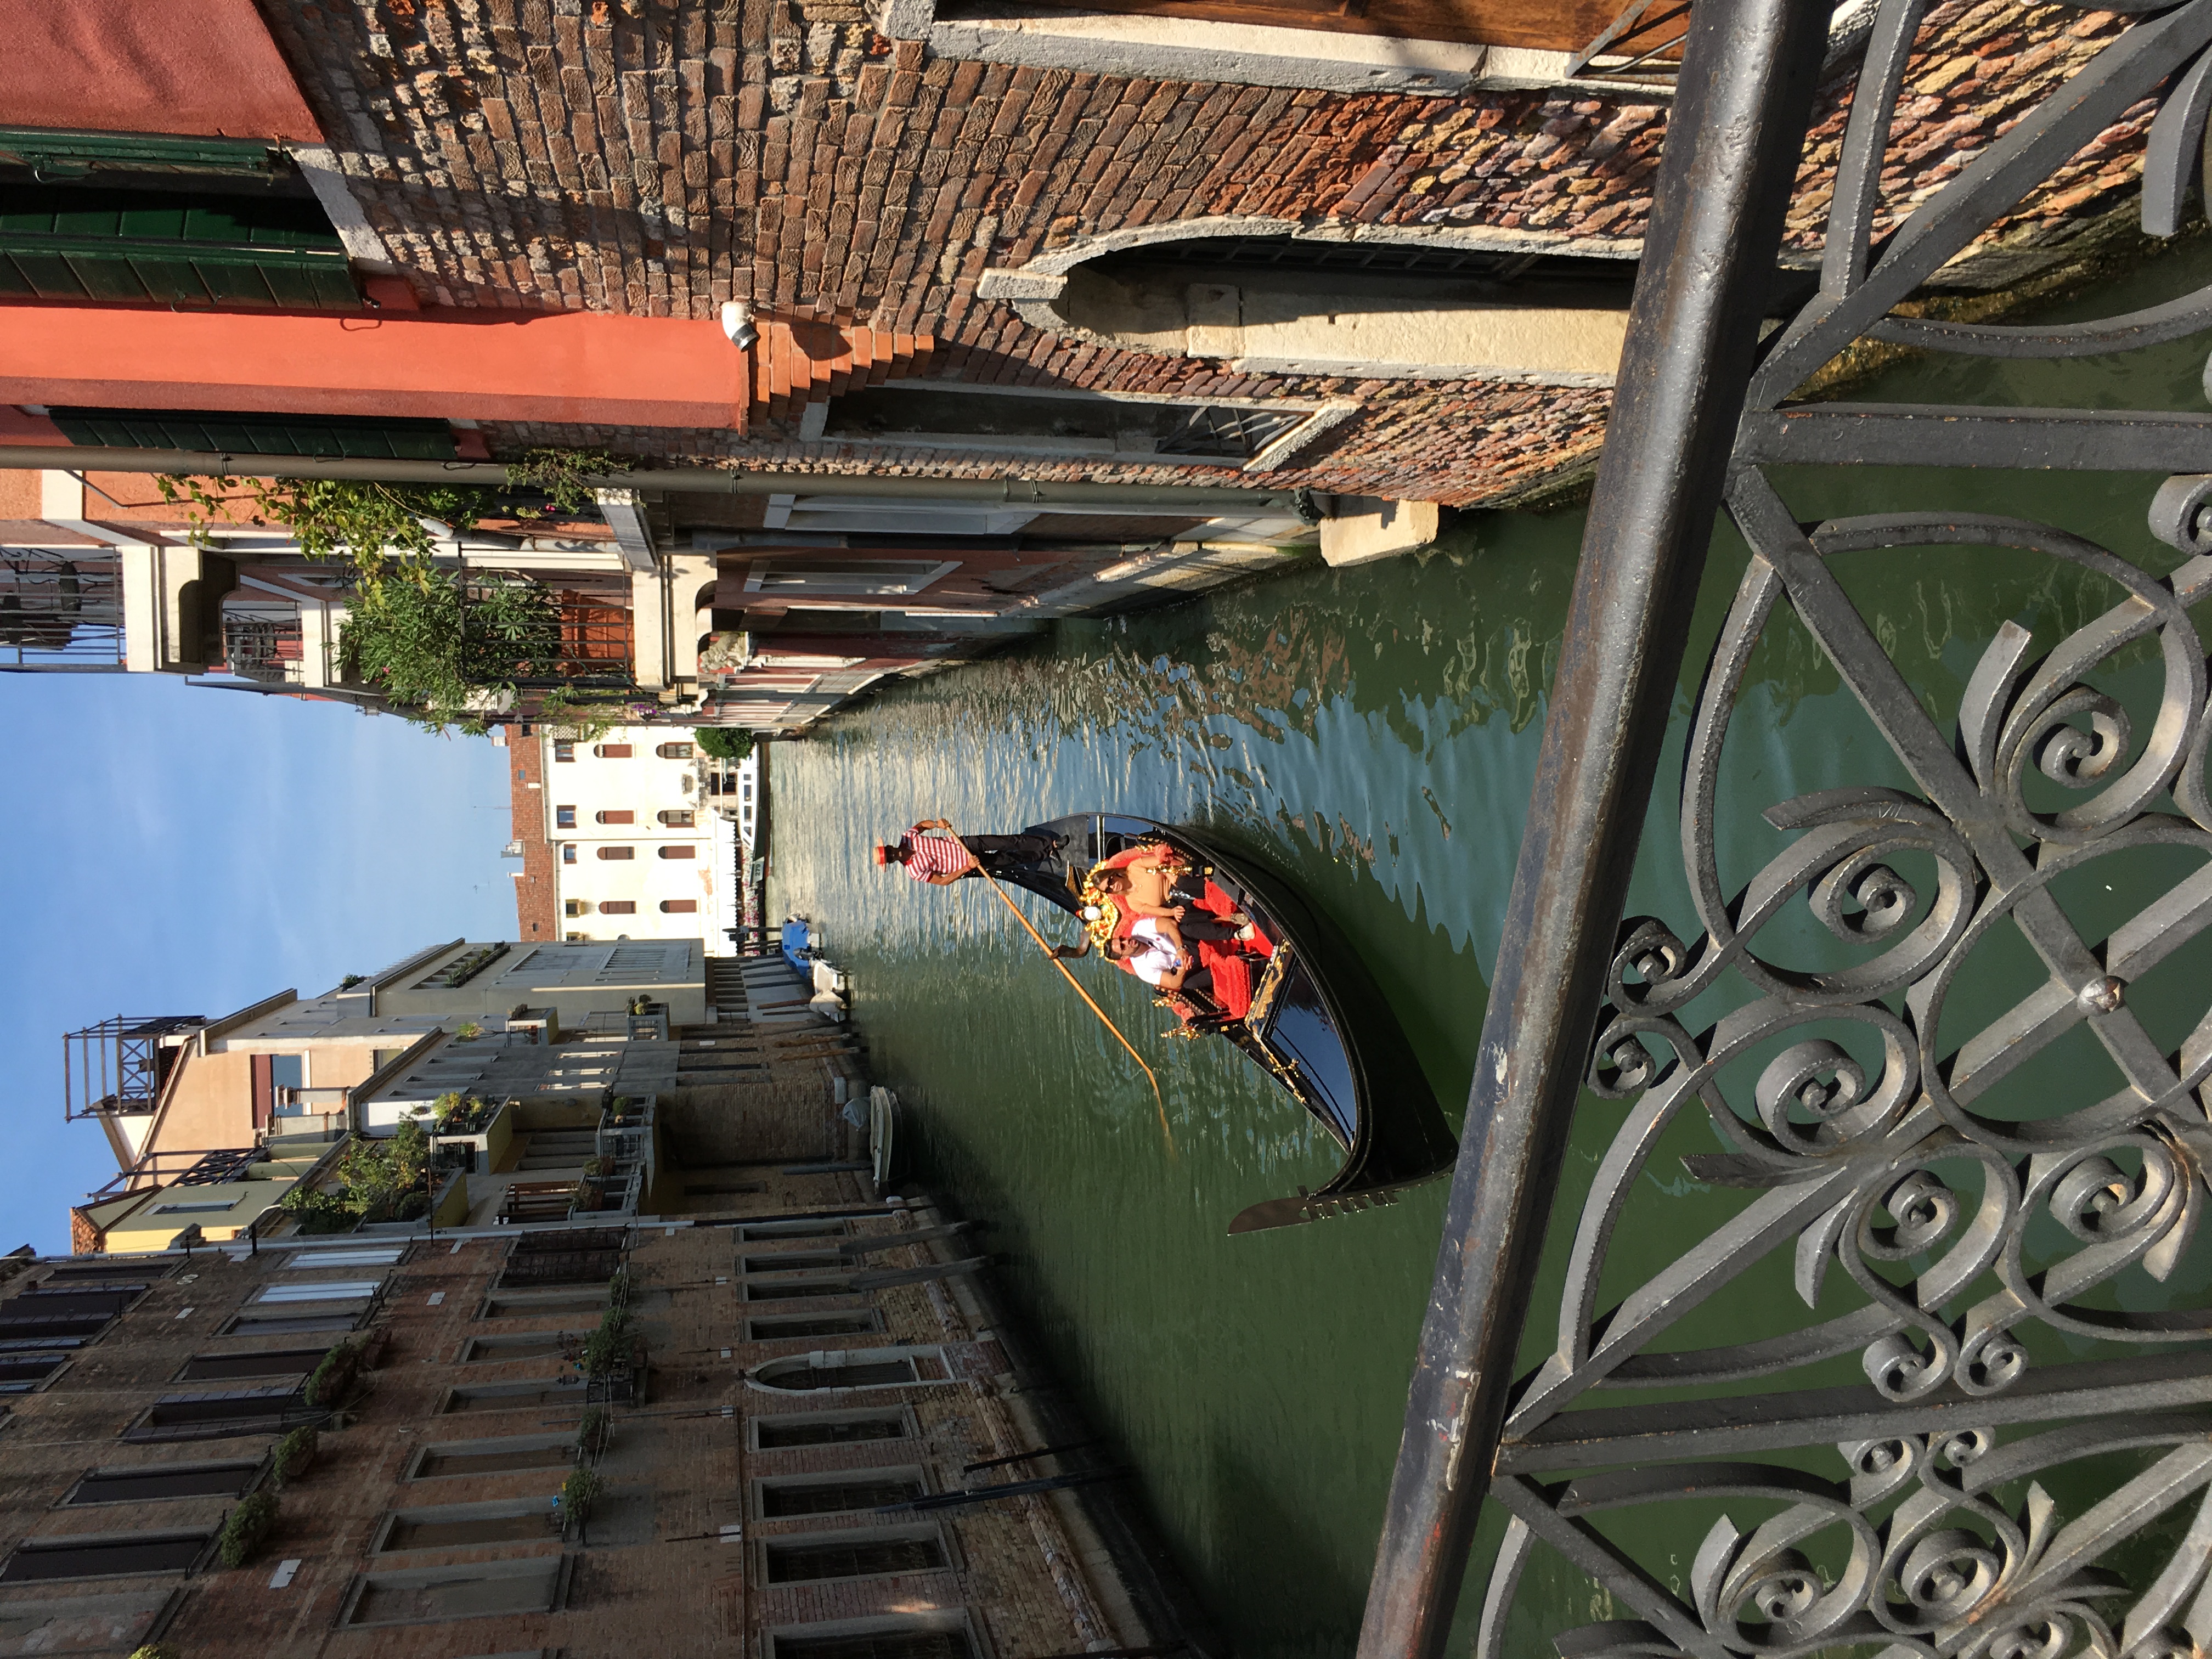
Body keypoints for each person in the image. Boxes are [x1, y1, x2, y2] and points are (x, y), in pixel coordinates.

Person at [874, 819, 1062, 884]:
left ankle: (1050, 843)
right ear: (891, 862)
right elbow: (943, 881)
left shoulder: (908, 836)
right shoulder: (913, 872)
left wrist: (936, 824)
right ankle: (1044, 854)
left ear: (891, 846)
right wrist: (967, 868)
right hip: (969, 864)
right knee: (1008, 860)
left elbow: (922, 826)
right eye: (890, 857)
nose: (893, 854)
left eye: (890, 851)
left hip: (965, 843)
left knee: (1007, 841)